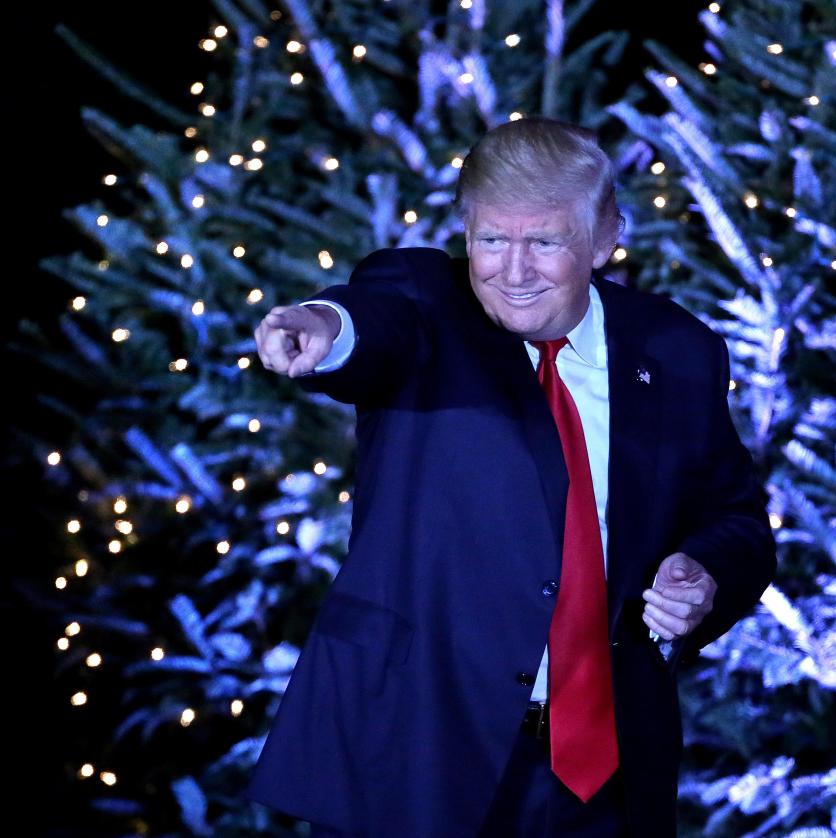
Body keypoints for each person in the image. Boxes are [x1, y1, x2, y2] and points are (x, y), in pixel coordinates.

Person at [245, 116, 777, 837]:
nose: (513, 271)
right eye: (492, 239)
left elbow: (737, 518)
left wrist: (704, 571)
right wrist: (323, 328)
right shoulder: (429, 303)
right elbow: (373, 323)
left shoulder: (677, 349)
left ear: (605, 238)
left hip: (607, 775)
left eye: (545, 241)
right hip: (419, 751)